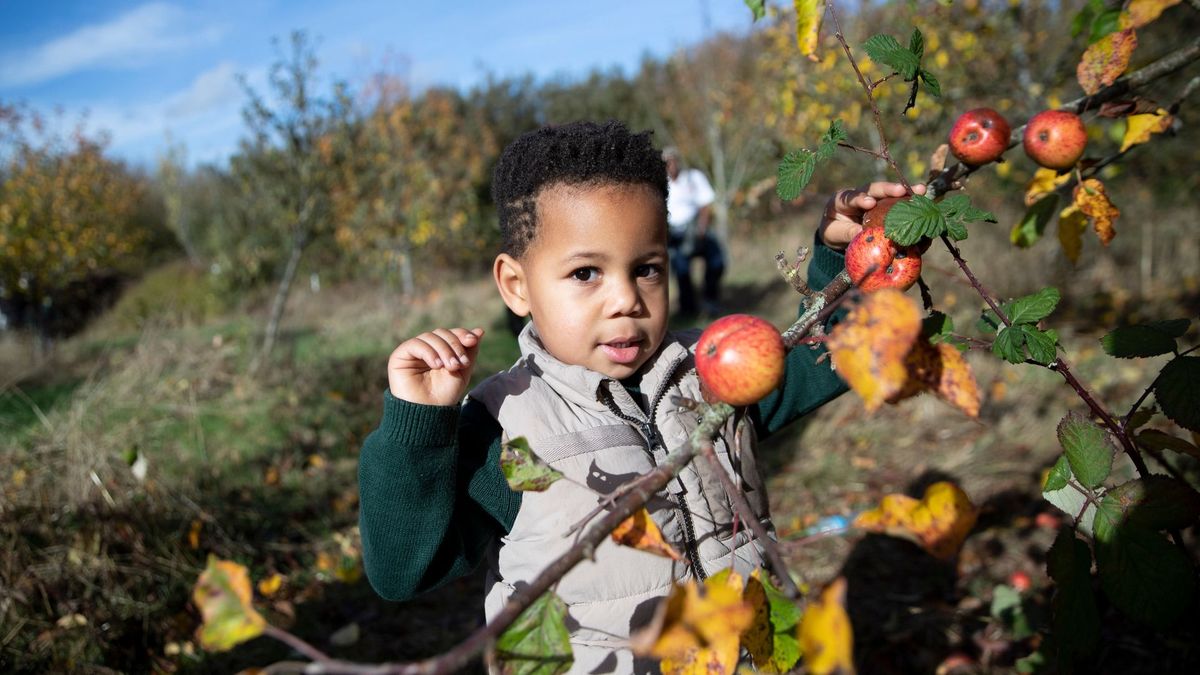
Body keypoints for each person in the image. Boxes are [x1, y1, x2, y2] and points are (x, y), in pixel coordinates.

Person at [358, 119, 917, 674]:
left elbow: (835, 355)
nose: (626, 298)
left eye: (646, 268)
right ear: (516, 286)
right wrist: (419, 426)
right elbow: (405, 571)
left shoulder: (712, 373)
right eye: (585, 274)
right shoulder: (506, 426)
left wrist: (847, 260)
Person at [662, 146, 723, 318]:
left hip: (695, 227)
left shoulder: (693, 177)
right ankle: (688, 308)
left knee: (716, 261)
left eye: (672, 160)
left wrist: (702, 228)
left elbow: (705, 203)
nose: (670, 165)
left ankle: (711, 301)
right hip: (674, 232)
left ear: (678, 161)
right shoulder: (661, 183)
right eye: (666, 162)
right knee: (681, 269)